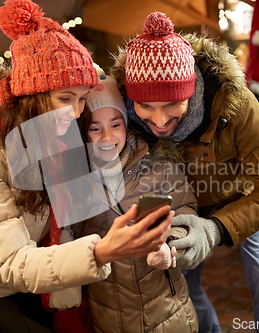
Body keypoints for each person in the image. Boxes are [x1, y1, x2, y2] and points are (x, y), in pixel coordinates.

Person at [0, 2, 173, 333]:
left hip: (39, 278)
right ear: (31, 93)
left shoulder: (55, 131)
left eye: (81, 99)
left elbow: (74, 219)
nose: (77, 112)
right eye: (66, 98)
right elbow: (10, 263)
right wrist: (102, 251)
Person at [110, 12, 259, 333]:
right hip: (185, 206)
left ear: (191, 89)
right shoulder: (121, 114)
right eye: (145, 105)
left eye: (172, 103)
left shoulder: (235, 103)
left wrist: (214, 230)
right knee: (182, 278)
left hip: (248, 197)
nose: (158, 120)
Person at [77, 64, 198, 332]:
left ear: (126, 124)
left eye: (115, 124)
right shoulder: (76, 180)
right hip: (108, 316)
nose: (107, 136)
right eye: (95, 128)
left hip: (167, 312)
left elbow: (186, 213)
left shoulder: (159, 165)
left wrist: (170, 244)